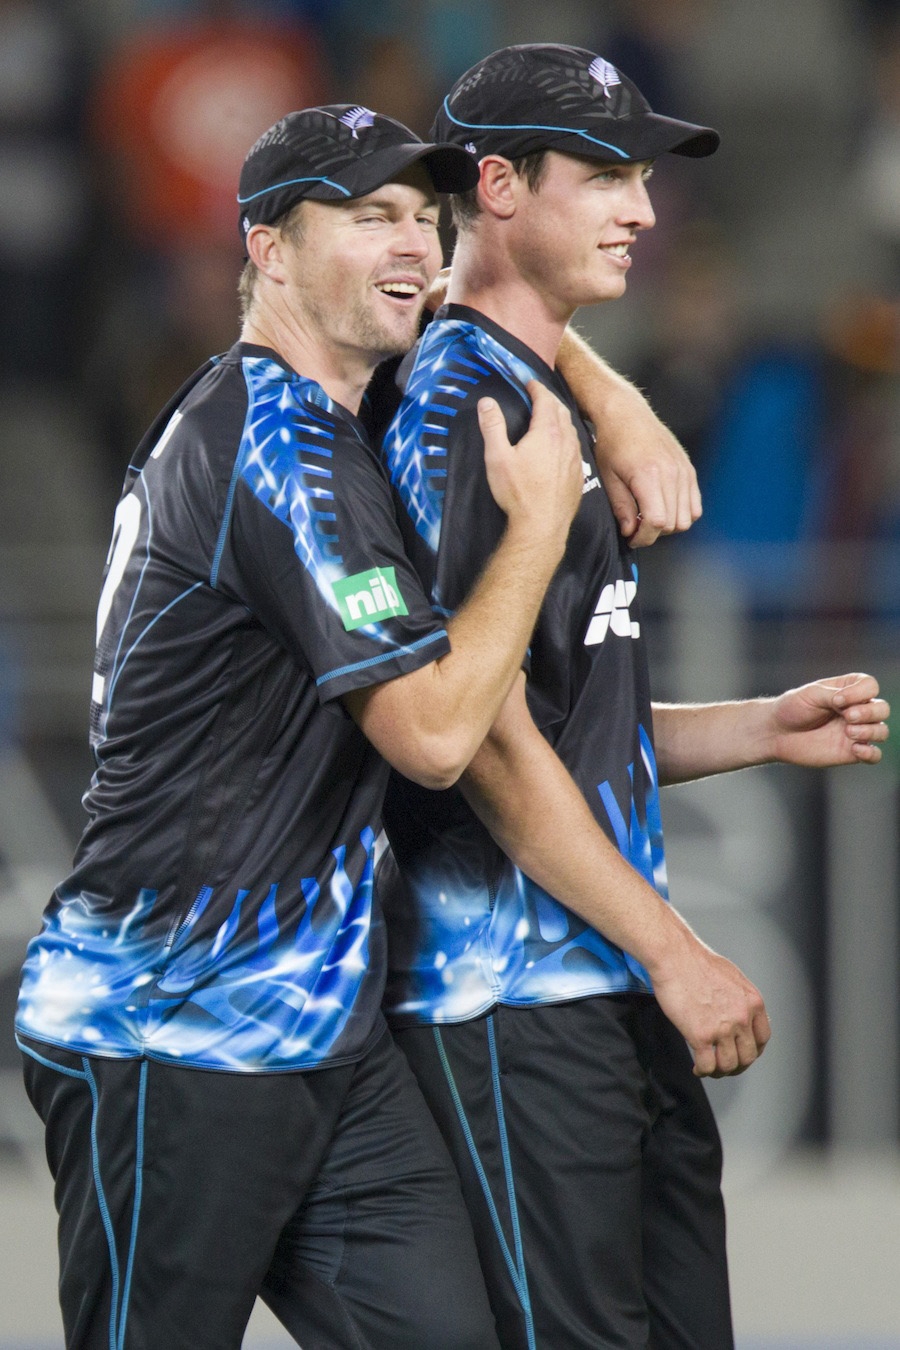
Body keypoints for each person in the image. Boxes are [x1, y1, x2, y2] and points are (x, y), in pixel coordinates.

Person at [14, 104, 588, 1350]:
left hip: (322, 1036)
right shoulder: (278, 445)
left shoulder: (314, 427)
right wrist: (540, 526)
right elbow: (439, 736)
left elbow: (518, 313)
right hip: (172, 1029)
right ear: (268, 249)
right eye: (371, 213)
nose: (417, 243)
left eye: (428, 219)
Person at [377, 45, 892, 1350]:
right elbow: (477, 746)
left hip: (595, 990)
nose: (643, 210)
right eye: (603, 176)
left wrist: (759, 726)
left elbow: (560, 721)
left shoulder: (540, 391)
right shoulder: (456, 414)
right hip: (510, 1000)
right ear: (495, 184)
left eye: (642, 179)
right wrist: (677, 950)